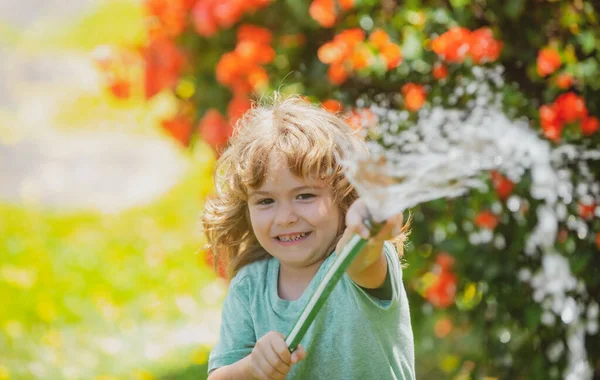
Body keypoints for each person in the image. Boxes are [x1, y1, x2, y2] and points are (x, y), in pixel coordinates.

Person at [202, 95, 415, 380]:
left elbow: (362, 253)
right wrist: (252, 367)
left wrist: (366, 222)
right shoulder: (249, 287)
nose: (285, 217)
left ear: (344, 197)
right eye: (266, 202)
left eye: (305, 196)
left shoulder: (355, 263)